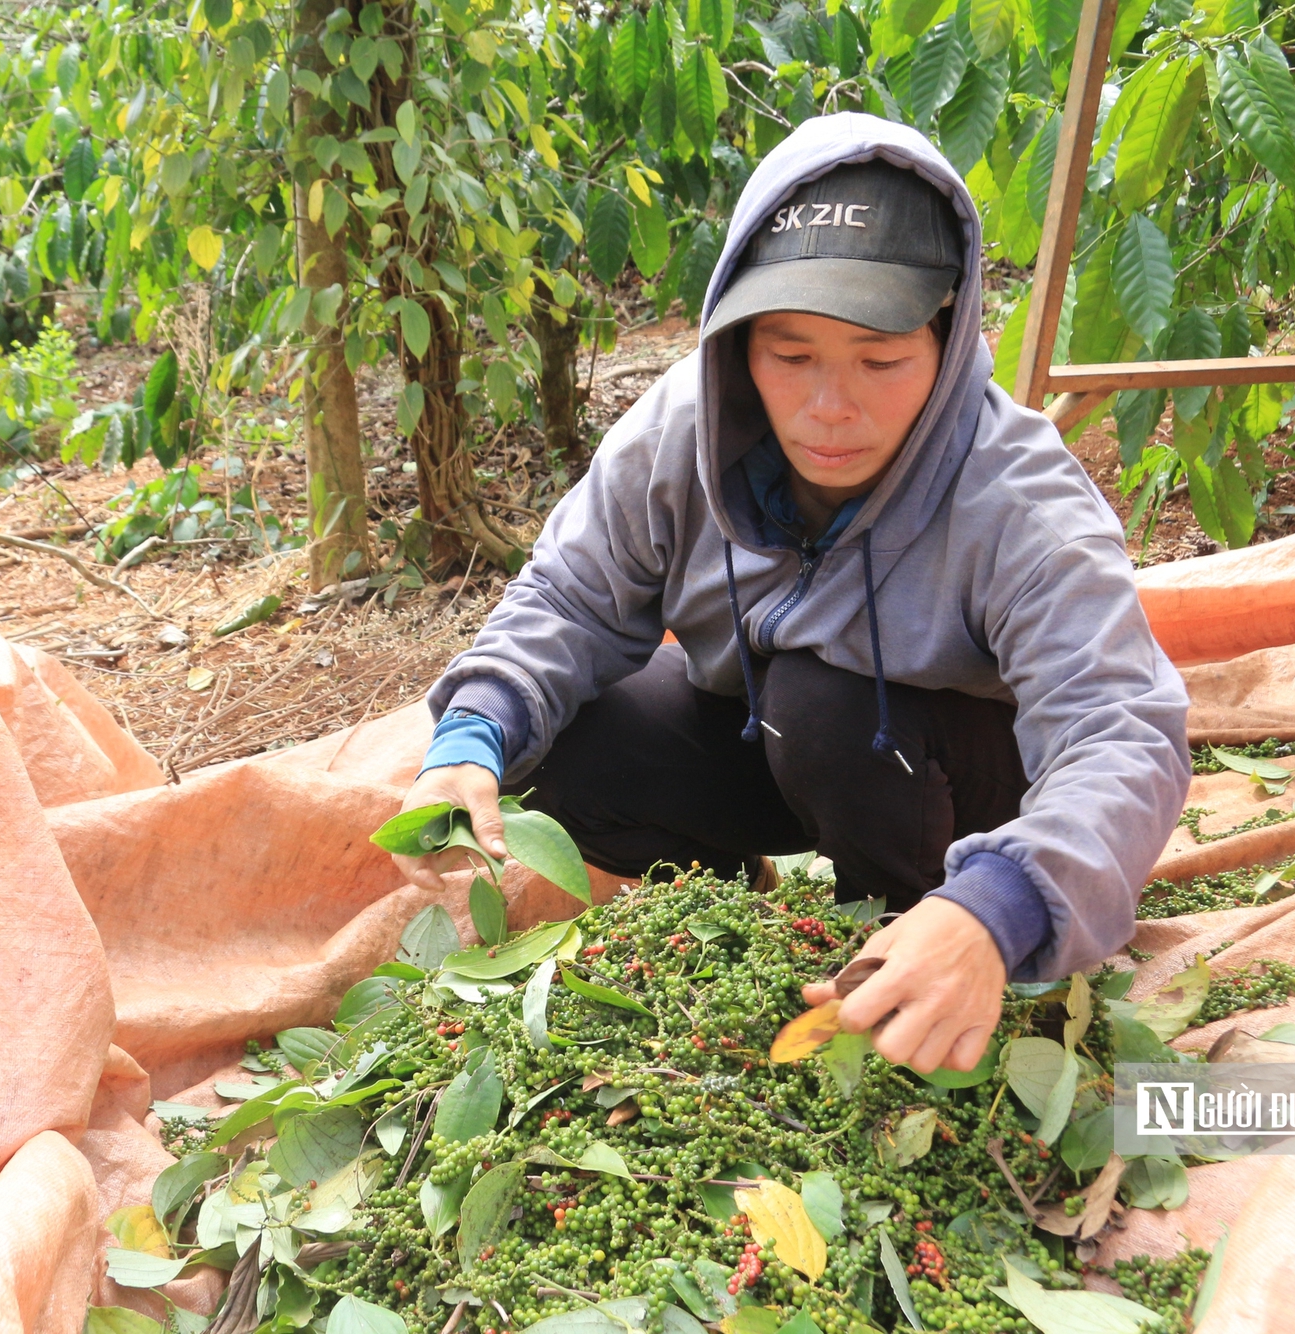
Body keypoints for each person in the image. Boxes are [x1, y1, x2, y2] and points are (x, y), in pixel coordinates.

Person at [387, 113, 1192, 1077]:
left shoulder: (1018, 501)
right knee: (565, 742)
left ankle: (925, 952)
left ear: (947, 338)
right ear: (740, 343)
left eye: (880, 359)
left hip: (958, 784)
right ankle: (740, 923)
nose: (830, 406)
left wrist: (1002, 905)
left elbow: (1122, 732)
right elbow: (568, 599)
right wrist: (469, 740)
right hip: (766, 740)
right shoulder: (682, 432)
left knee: (825, 701)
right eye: (790, 353)